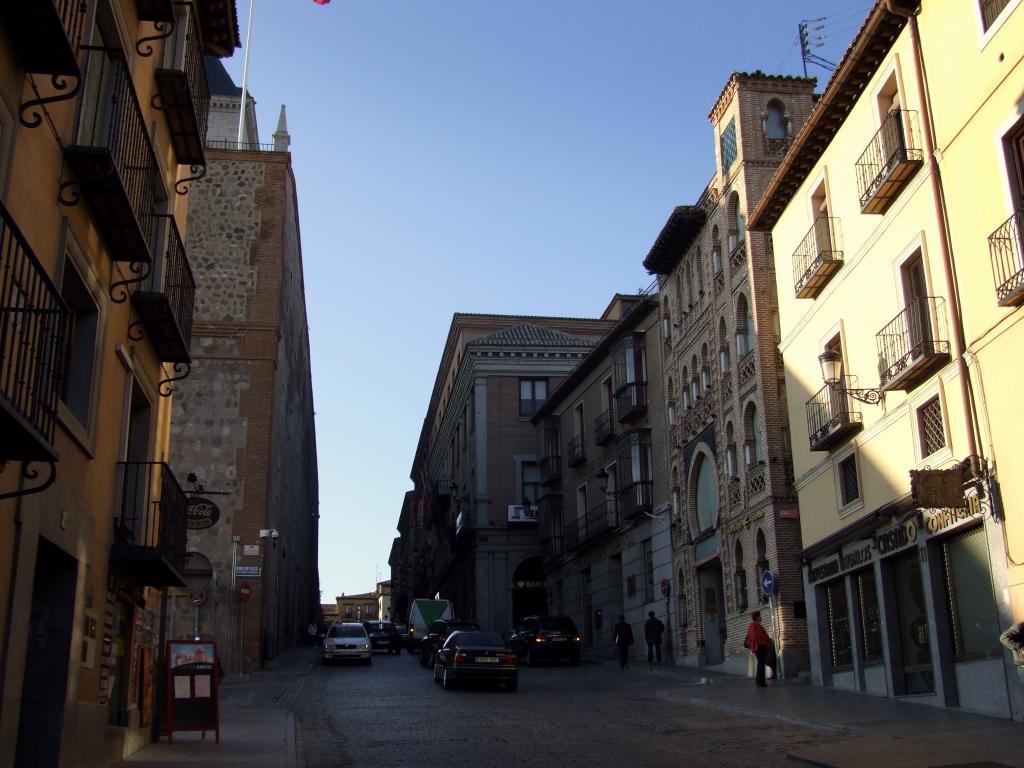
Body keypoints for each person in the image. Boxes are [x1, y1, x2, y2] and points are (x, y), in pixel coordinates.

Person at [745, 610, 772, 687]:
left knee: (760, 664)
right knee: (761, 664)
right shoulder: (754, 626)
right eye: (760, 616)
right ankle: (761, 682)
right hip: (759, 647)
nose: (761, 617)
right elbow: (758, 637)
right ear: (757, 617)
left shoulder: (754, 625)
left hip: (759, 647)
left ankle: (759, 680)